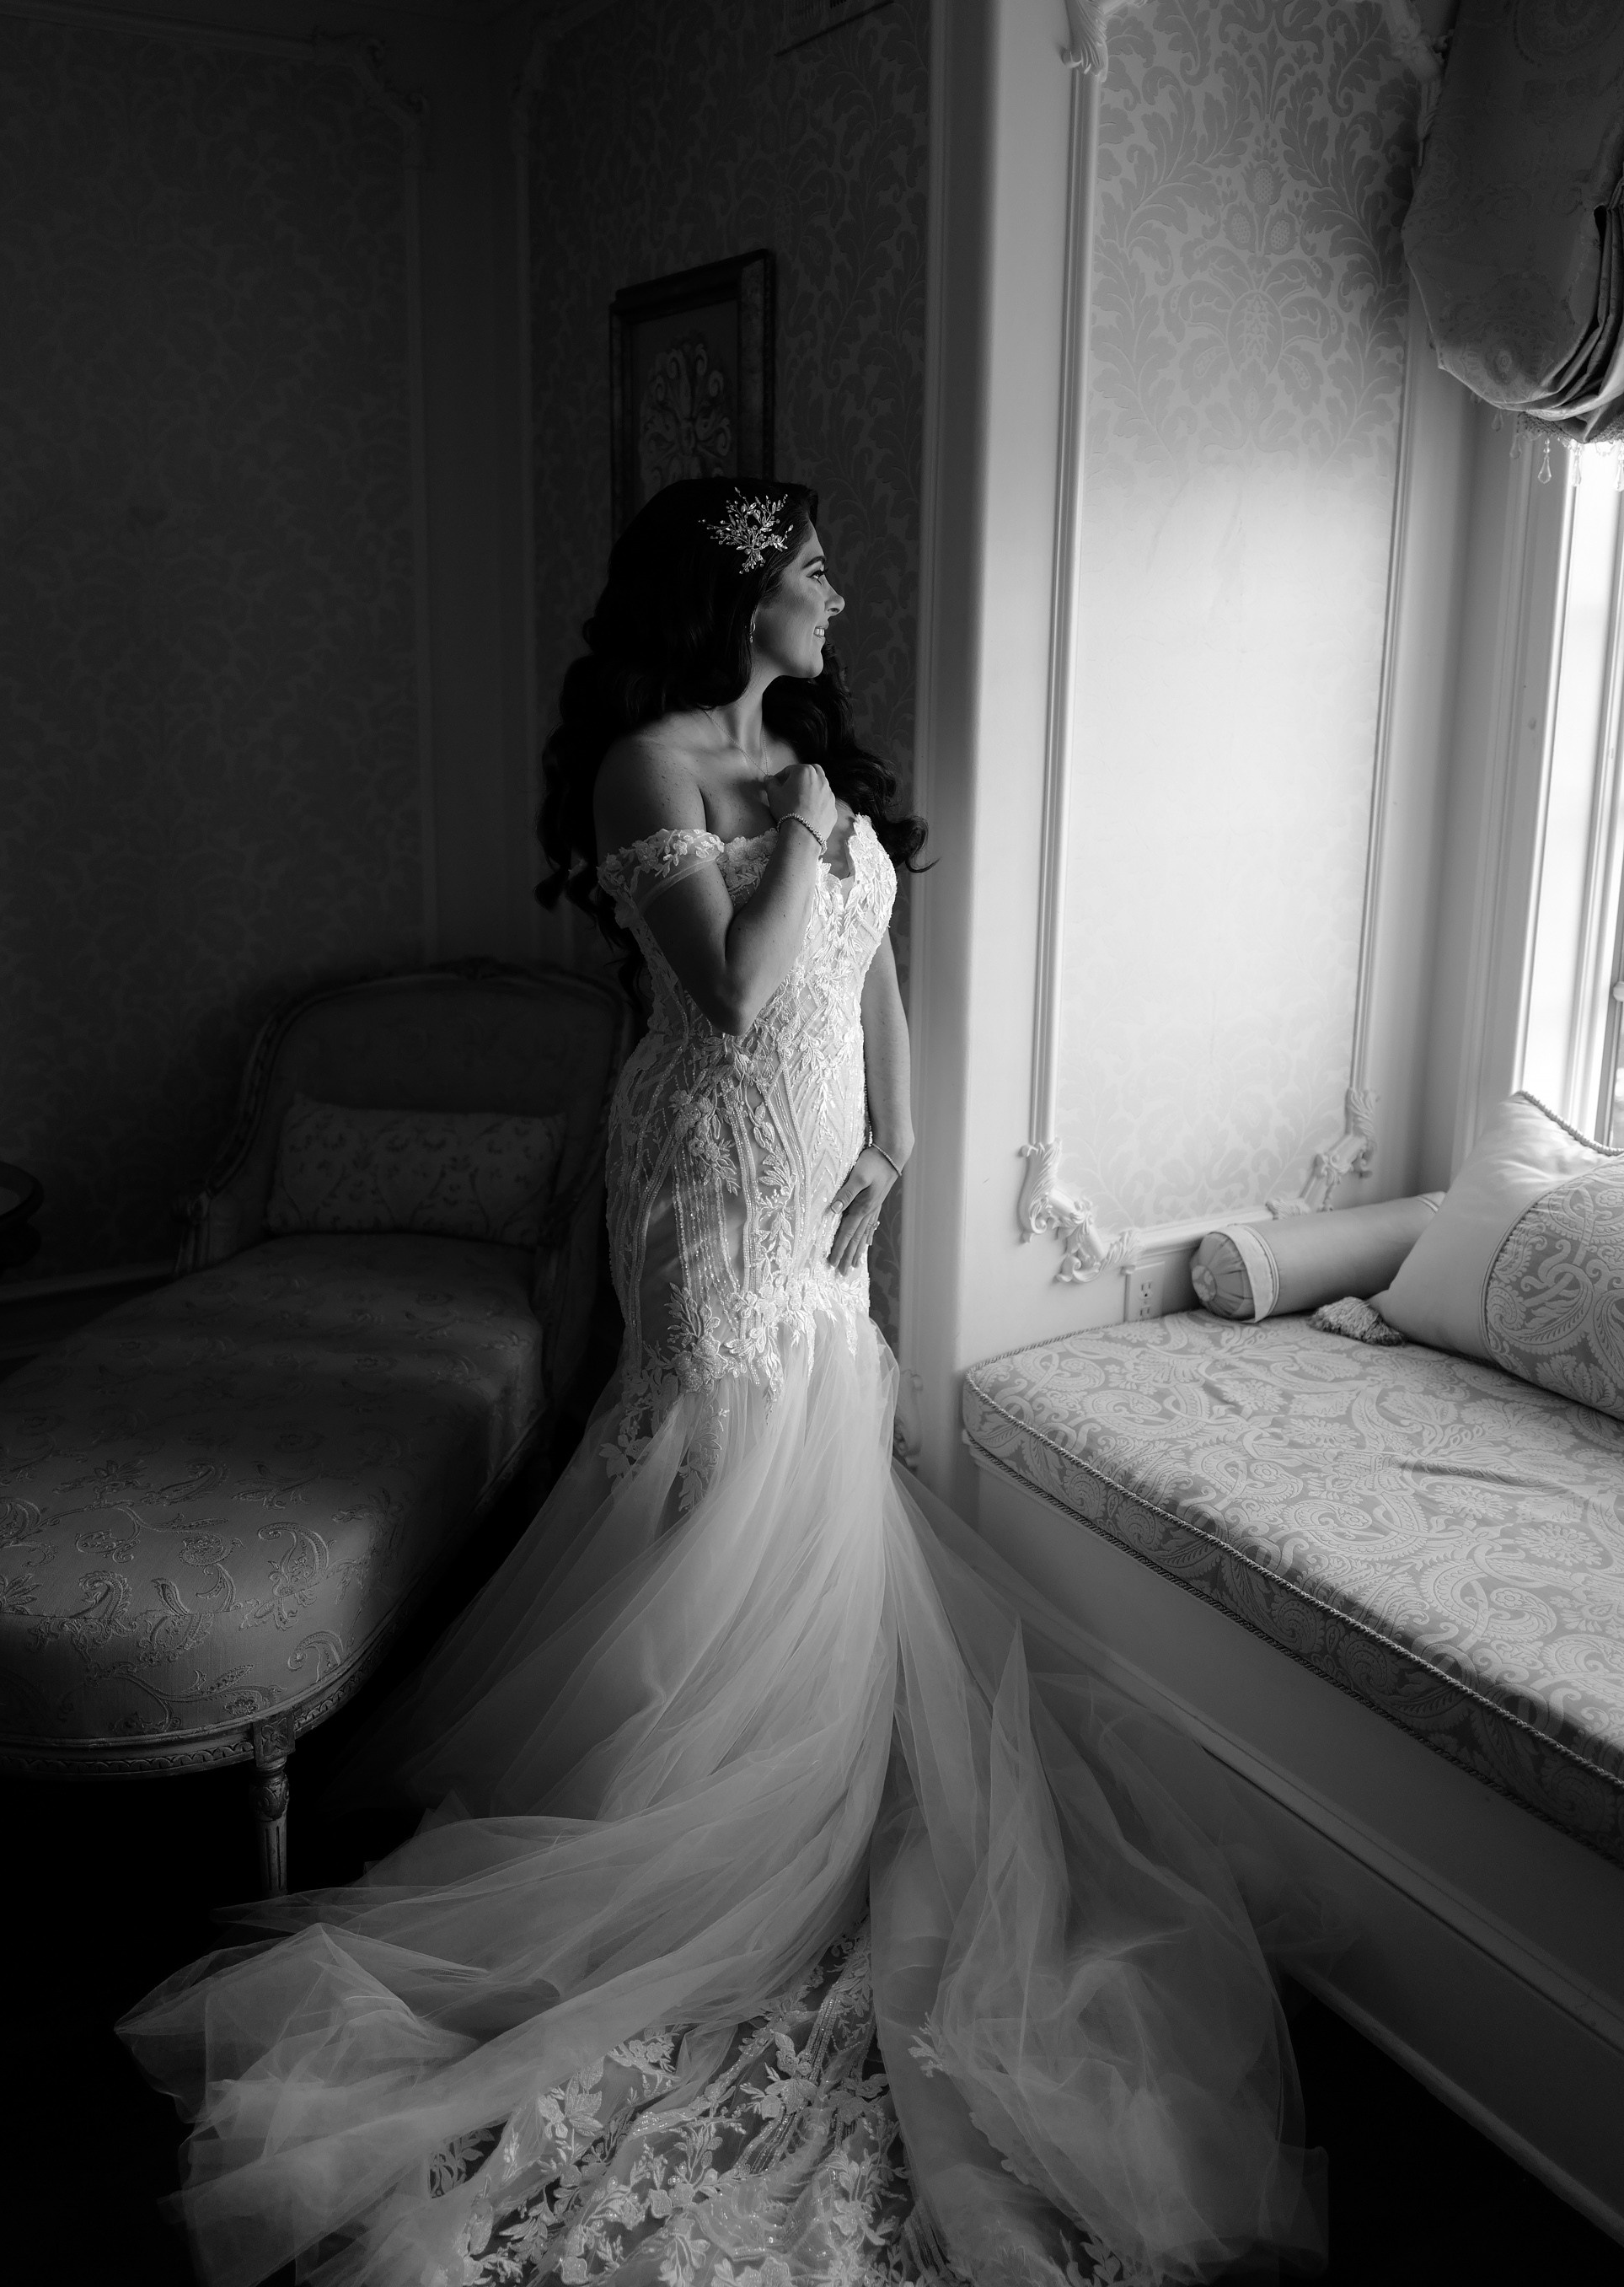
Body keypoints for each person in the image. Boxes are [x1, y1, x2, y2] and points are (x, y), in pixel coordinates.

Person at [122, 480, 1320, 2287]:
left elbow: (872, 974)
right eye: (812, 567)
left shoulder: (808, 758)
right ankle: (676, 1798)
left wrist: (904, 1141)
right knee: (714, 1446)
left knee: (816, 1432)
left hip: (822, 1168)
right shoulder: (647, 769)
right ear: (738, 589)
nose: (839, 592)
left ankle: (783, 1761)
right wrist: (810, 843)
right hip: (703, 1170)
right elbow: (748, 995)